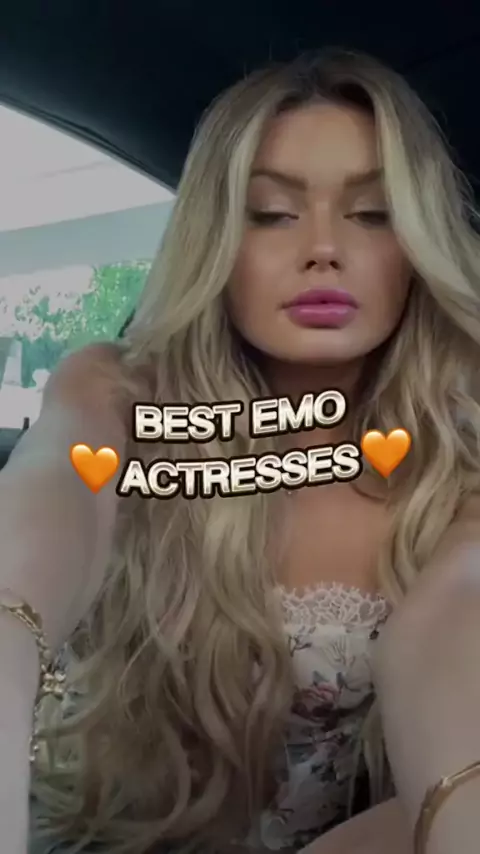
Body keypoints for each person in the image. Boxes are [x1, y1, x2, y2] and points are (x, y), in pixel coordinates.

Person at [1, 47, 480, 854]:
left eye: (372, 214)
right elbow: (50, 498)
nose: (323, 248)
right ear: (217, 239)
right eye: (272, 212)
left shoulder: (454, 462)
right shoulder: (120, 395)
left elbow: (456, 632)